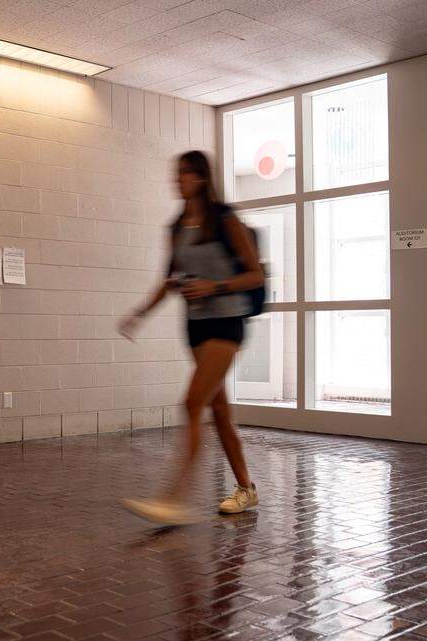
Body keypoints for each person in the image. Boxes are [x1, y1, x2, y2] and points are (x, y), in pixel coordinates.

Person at [117, 150, 264, 525]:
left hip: (226, 325)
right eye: (176, 173)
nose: (176, 180)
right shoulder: (177, 227)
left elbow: (254, 276)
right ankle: (246, 489)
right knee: (219, 411)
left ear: (200, 178)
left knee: (191, 404)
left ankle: (173, 499)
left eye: (183, 173)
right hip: (195, 328)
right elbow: (168, 281)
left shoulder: (224, 219)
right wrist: (140, 313)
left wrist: (214, 286)